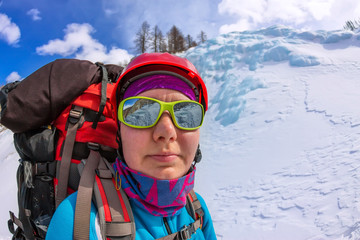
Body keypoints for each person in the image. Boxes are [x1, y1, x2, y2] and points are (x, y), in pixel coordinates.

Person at [46, 53, 217, 239]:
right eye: (141, 113)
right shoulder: (77, 219)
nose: (167, 131)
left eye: (186, 114)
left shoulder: (197, 207)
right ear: (119, 132)